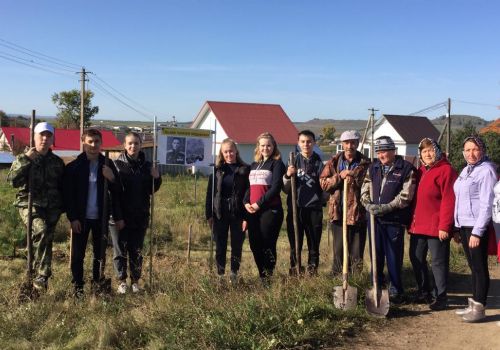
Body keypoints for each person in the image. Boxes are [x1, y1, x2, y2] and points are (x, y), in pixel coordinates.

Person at [64, 129, 124, 297]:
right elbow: (69, 196)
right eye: (90, 141)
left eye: (96, 141)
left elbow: (118, 190)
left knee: (99, 253)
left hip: (101, 218)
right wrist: (73, 218)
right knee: (78, 255)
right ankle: (78, 287)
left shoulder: (107, 164)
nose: (93, 145)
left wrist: (111, 177)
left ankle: (97, 284)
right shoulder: (75, 166)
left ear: (101, 143)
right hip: (81, 219)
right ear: (83, 143)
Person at [8, 122, 65, 291]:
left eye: (49, 136)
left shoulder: (57, 162)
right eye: (41, 135)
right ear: (34, 137)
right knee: (41, 231)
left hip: (52, 207)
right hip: (29, 203)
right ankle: (42, 274)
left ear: (52, 139)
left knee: (45, 239)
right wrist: (26, 160)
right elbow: (12, 181)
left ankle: (35, 278)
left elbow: (63, 185)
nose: (45, 139)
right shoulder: (24, 157)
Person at [360, 136, 417, 303]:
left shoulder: (406, 169)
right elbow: (365, 188)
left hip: (394, 219)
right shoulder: (373, 167)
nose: (381, 155)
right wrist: (367, 204)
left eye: (384, 151)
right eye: (378, 152)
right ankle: (377, 285)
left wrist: (387, 207)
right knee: (375, 254)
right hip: (374, 219)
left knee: (393, 256)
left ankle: (396, 290)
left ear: (393, 151)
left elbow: (406, 196)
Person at [408, 138, 457, 311]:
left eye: (430, 150)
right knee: (416, 257)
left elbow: (449, 200)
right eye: (424, 151)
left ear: (437, 151)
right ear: (420, 155)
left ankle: (441, 296)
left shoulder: (446, 171)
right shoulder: (420, 171)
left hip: (437, 227)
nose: (427, 154)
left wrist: (445, 226)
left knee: (438, 262)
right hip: (418, 226)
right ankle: (424, 291)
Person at [110, 132, 162, 294]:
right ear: (124, 146)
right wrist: (118, 217)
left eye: (136, 144)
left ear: (141, 146)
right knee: (120, 250)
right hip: (119, 216)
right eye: (130, 143)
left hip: (139, 215)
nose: (133, 146)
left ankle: (135, 281)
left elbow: (151, 190)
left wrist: (157, 178)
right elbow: (113, 194)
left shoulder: (146, 166)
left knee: (136, 250)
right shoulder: (117, 165)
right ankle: (121, 281)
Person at [453, 136, 497, 322]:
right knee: (473, 267)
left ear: (482, 150)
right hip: (464, 224)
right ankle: (472, 305)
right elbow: (459, 199)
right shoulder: (466, 170)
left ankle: (479, 308)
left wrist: (478, 231)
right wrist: (456, 225)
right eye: (467, 150)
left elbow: (487, 203)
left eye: (475, 149)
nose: (471, 153)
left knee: (479, 267)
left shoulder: (486, 170)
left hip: (476, 225)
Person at [320, 130, 370, 275]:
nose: (350, 146)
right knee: (338, 252)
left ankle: (356, 282)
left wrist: (353, 177)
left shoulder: (365, 163)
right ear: (342, 144)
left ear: (357, 144)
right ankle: (338, 280)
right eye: (347, 143)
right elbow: (323, 183)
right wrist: (339, 177)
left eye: (353, 142)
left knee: (356, 253)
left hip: (358, 215)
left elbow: (371, 184)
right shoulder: (333, 162)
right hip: (338, 214)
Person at [244, 132, 286, 285]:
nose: (265, 148)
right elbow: (250, 186)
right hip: (253, 211)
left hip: (270, 211)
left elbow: (275, 188)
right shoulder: (254, 165)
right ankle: (262, 275)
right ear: (258, 147)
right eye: (262, 145)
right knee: (254, 244)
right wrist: (245, 202)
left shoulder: (277, 164)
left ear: (274, 146)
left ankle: (268, 277)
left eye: (269, 145)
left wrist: (258, 203)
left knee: (267, 244)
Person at [205, 138, 249, 282]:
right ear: (221, 154)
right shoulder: (216, 170)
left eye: (231, 151)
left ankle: (234, 274)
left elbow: (249, 193)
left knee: (237, 244)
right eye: (225, 152)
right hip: (219, 213)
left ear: (236, 151)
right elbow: (210, 193)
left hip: (238, 212)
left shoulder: (245, 170)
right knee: (220, 244)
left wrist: (246, 217)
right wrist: (209, 215)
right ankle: (220, 275)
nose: (229, 154)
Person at [283, 130, 324, 276]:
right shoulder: (292, 160)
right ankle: (295, 270)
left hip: (313, 209)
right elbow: (285, 189)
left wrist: (321, 201)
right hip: (296, 208)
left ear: (314, 143)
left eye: (309, 141)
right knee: (295, 244)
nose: (306, 144)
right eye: (303, 142)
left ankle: (312, 271)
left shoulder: (319, 162)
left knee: (314, 244)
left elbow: (324, 187)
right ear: (298, 143)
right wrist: (288, 175)